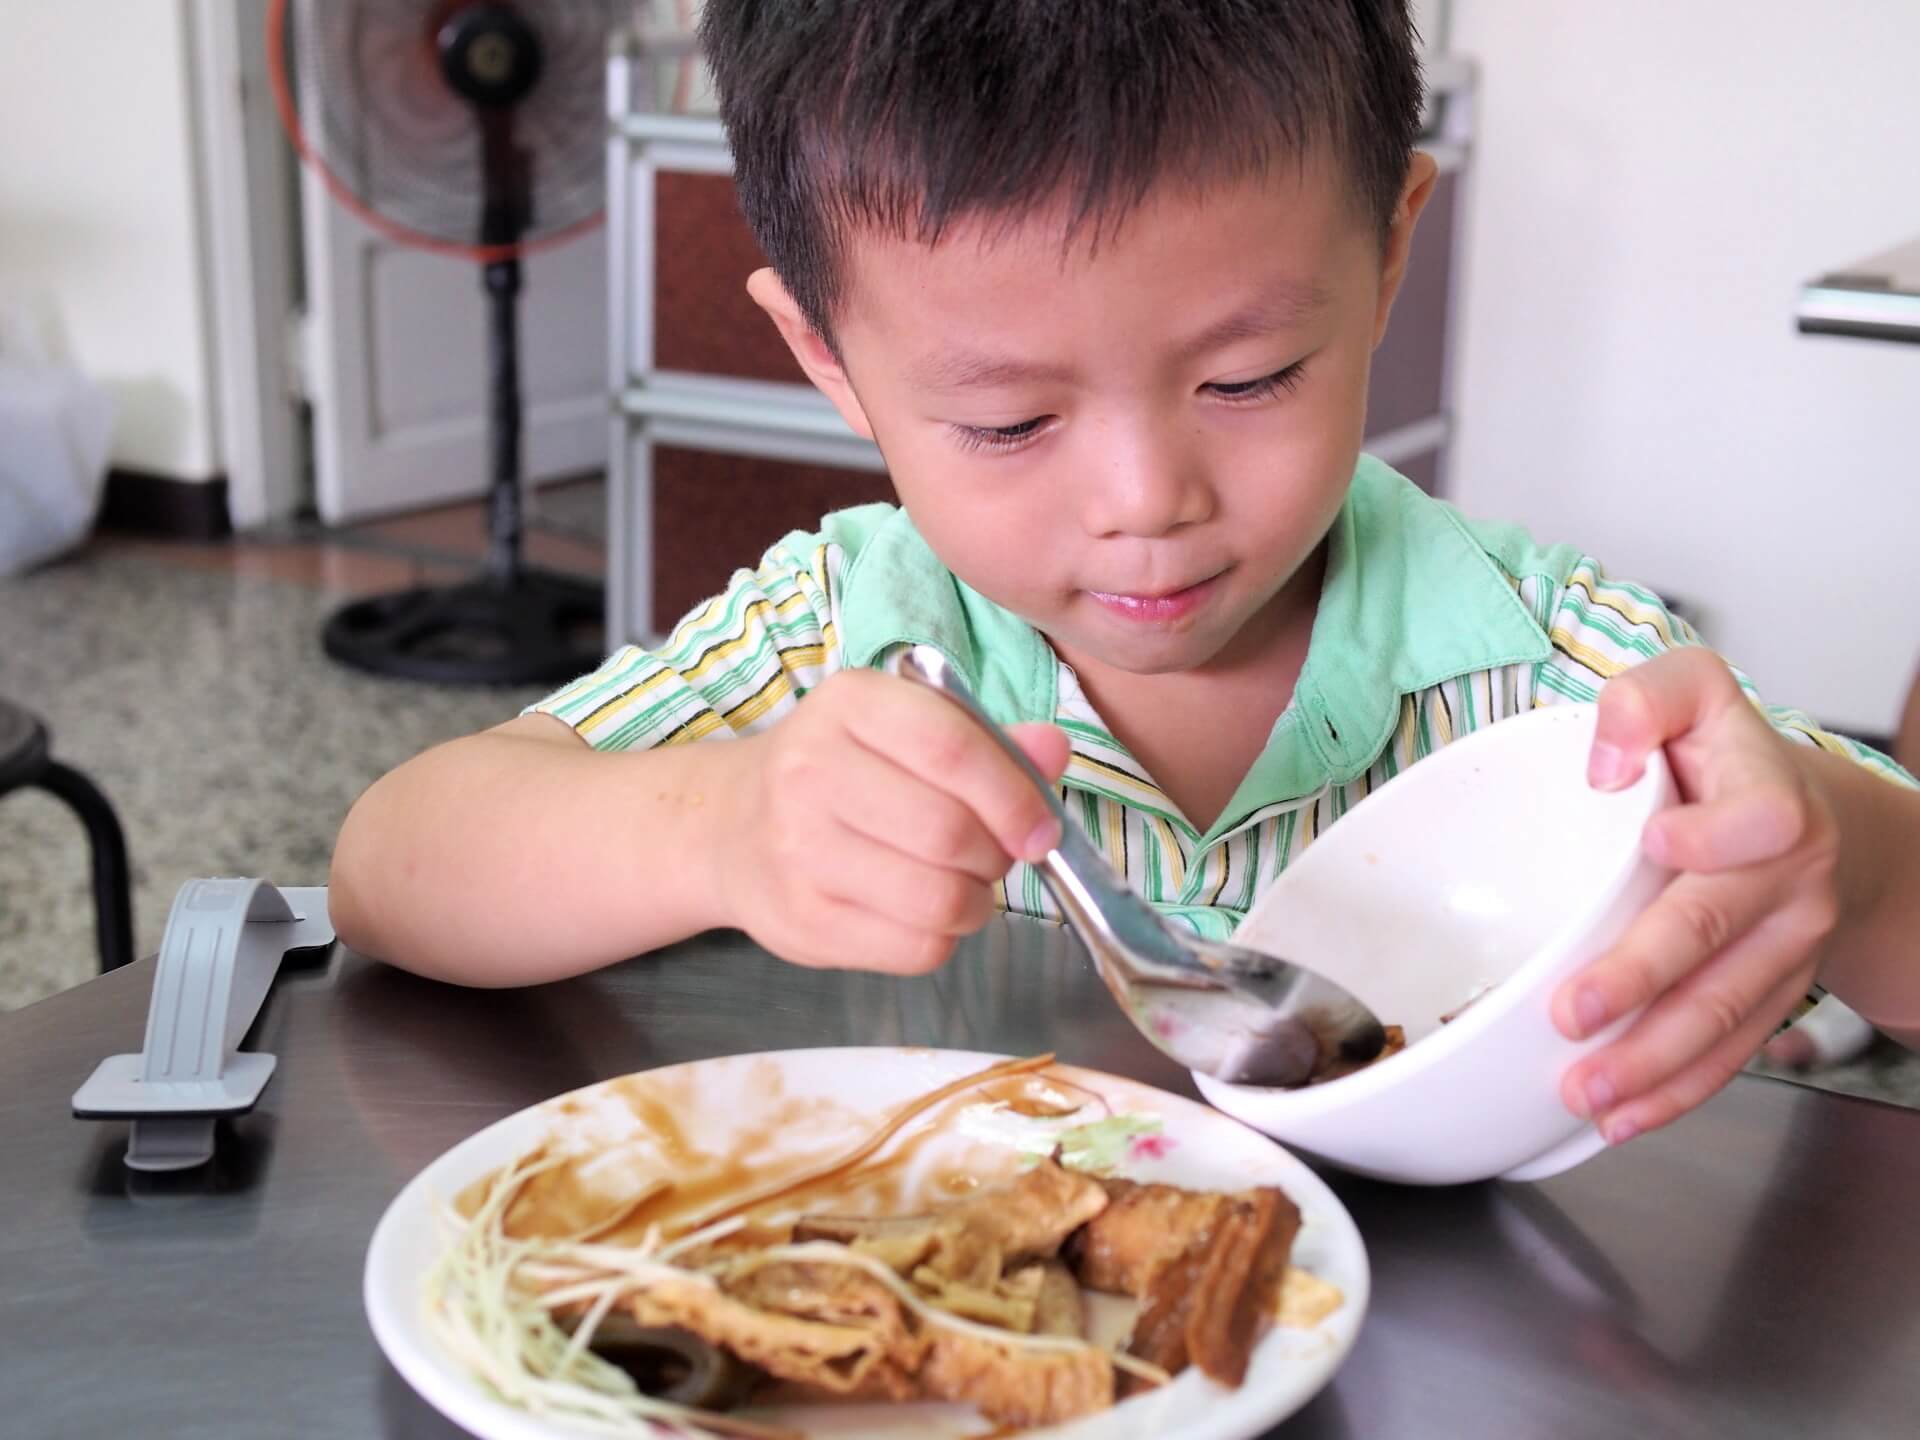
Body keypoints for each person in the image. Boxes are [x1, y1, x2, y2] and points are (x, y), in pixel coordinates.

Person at [329, 0, 1920, 1150]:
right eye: (1011, 420)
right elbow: (394, 866)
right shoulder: (847, 633)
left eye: (1248, 380)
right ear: (831, 361)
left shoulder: (1551, 663)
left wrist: (1839, 855)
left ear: (1387, 254)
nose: (1149, 502)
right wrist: (717, 825)